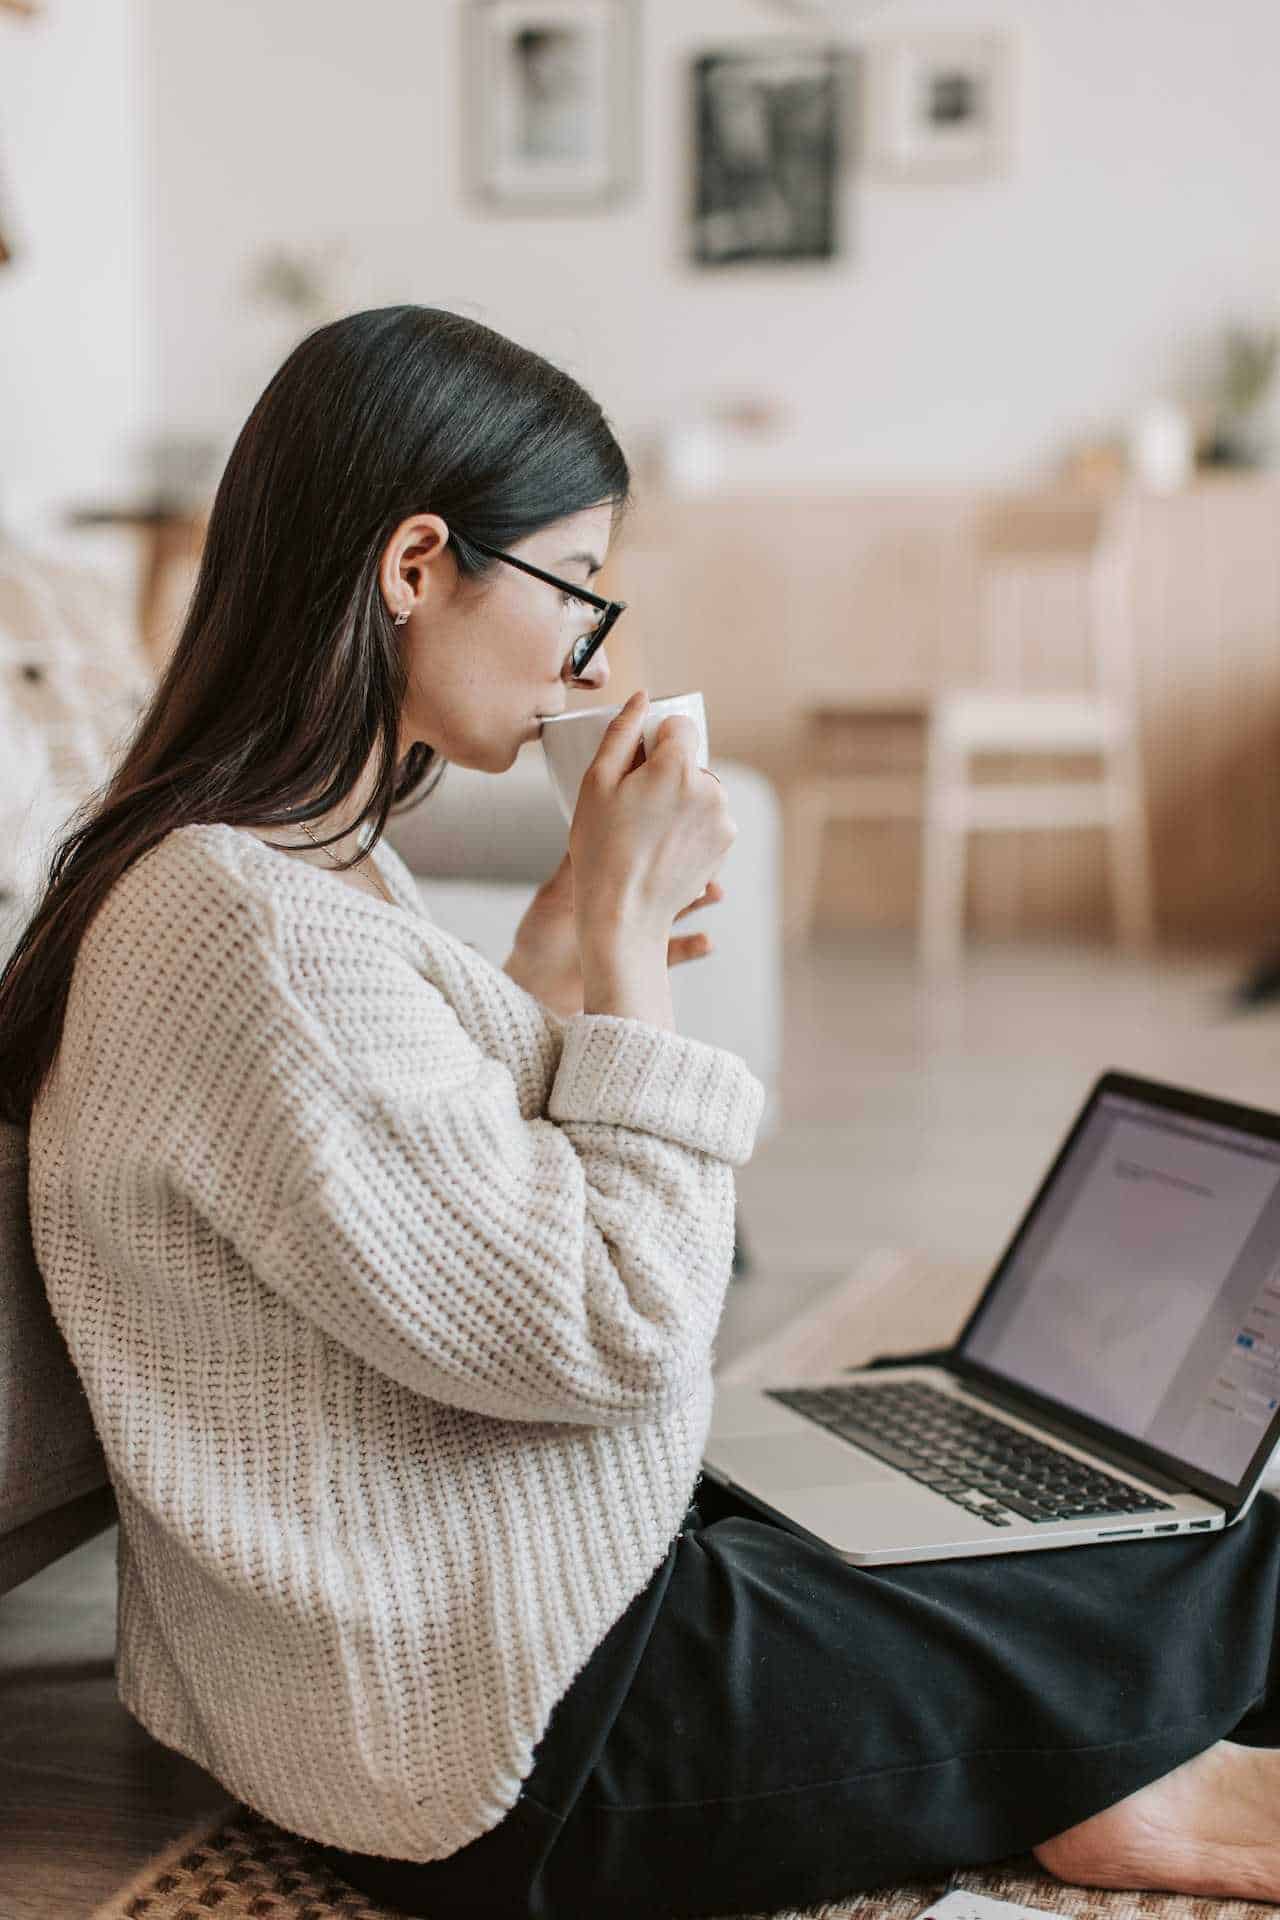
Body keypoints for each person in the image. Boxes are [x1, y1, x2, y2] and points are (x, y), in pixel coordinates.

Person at [4, 306, 1280, 1920]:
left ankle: (1096, 1763)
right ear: (416, 567)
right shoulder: (246, 922)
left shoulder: (261, 872)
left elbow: (437, 1212)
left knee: (989, 1510)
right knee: (1230, 1561)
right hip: (515, 1738)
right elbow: (616, 1329)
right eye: (576, 584)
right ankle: (1121, 1779)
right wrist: (623, 954)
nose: (593, 650)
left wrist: (550, 952)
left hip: (461, 1640)